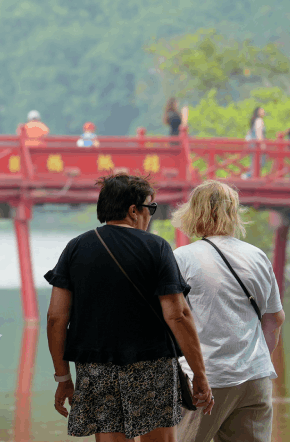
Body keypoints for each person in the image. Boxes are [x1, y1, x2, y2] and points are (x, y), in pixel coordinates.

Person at [45, 173, 213, 442]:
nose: (151, 216)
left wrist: (63, 377)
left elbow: (55, 318)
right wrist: (200, 376)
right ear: (134, 210)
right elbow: (178, 315)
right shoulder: (156, 247)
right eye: (151, 208)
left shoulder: (76, 248)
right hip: (152, 364)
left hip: (97, 366)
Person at [172, 180, 285, 442]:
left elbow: (172, 319)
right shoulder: (257, 256)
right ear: (233, 213)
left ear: (194, 213)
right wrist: (251, 361)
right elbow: (274, 320)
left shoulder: (183, 258)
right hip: (254, 378)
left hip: (204, 380)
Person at [242, 106, 266, 179]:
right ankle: (249, 175)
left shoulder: (255, 120)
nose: (264, 112)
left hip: (253, 144)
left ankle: (249, 175)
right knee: (259, 161)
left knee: (254, 160)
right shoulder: (259, 120)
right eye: (262, 110)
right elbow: (259, 133)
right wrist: (261, 143)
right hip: (257, 145)